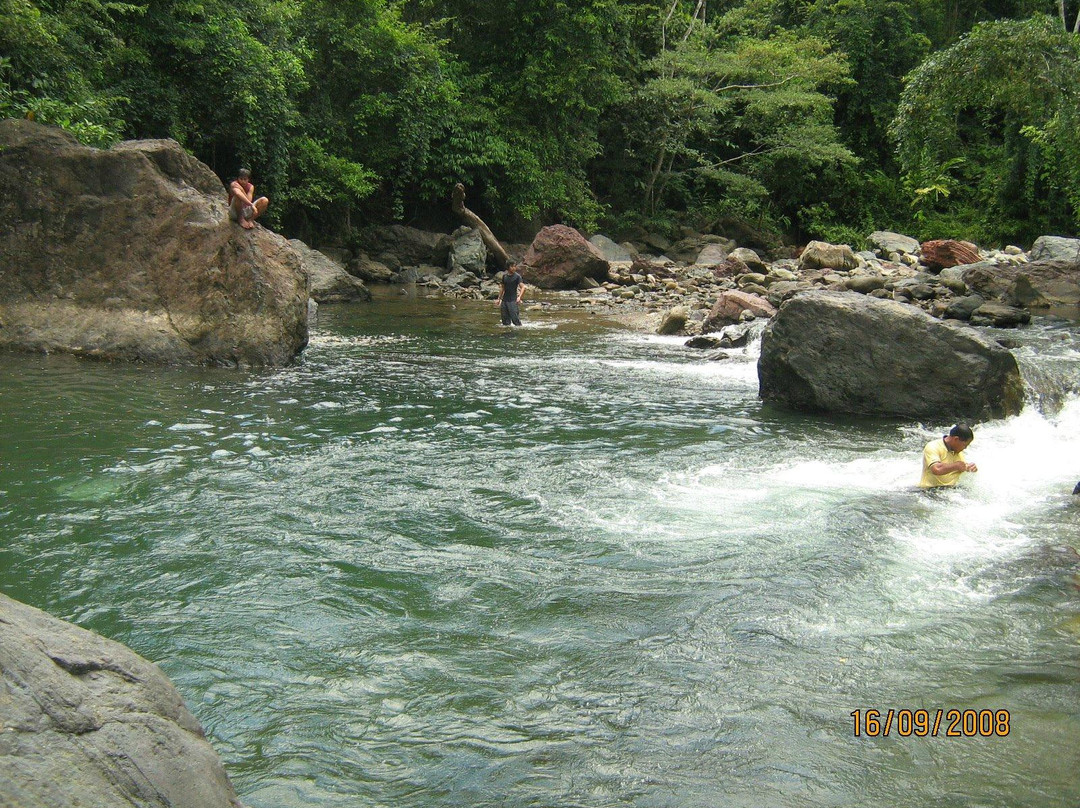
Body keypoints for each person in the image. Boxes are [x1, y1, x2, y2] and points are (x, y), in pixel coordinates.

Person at [918, 424, 978, 489]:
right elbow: (936, 469)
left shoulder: (959, 452)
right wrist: (956, 466)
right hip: (930, 491)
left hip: (951, 491)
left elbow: (961, 469)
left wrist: (970, 469)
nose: (965, 448)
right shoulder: (933, 446)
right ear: (956, 439)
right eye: (964, 445)